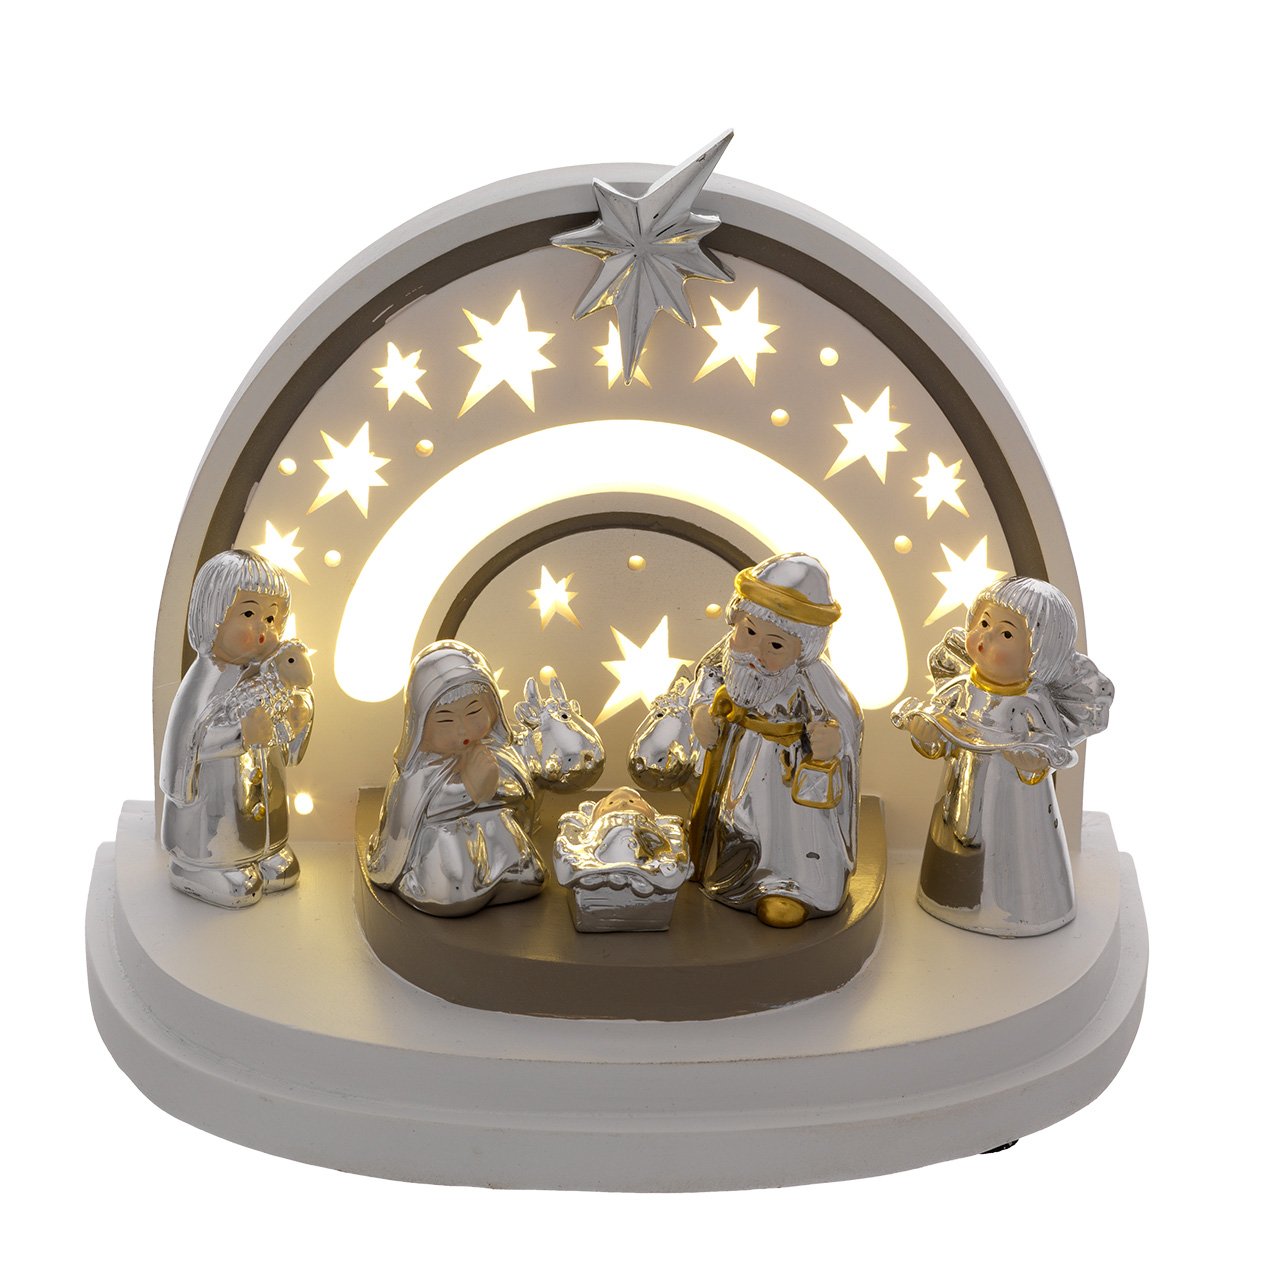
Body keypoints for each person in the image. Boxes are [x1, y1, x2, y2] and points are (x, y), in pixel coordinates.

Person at [630, 553, 862, 928]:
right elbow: (707, 678)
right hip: (735, 758)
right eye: (749, 633)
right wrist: (701, 710)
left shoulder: (814, 678)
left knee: (776, 831)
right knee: (733, 821)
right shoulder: (727, 655)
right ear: (737, 619)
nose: (755, 652)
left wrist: (831, 741)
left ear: (802, 651)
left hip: (784, 775)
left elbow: (844, 721)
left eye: (775, 646)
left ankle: (786, 886)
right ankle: (719, 871)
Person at [892, 576, 1113, 937]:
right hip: (961, 800)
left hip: (1019, 806)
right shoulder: (960, 688)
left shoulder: (1032, 703)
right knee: (954, 834)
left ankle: (1024, 908)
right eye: (983, 623)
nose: (986, 637)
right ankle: (945, 898)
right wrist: (926, 734)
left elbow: (1051, 748)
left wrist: (1034, 765)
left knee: (1020, 848)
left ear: (1039, 653)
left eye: (1006, 634)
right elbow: (941, 738)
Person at [159, 549, 313, 908]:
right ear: (213, 616)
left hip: (261, 815)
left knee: (283, 870)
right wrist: (240, 735)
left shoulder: (268, 674)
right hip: (211, 818)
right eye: (248, 614)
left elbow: (286, 740)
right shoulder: (205, 680)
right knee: (240, 887)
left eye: (272, 618)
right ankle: (196, 867)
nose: (264, 629)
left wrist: (298, 715)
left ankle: (264, 851)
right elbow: (188, 745)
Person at [366, 641, 544, 916]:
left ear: (493, 707)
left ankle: (510, 873)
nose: (463, 729)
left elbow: (518, 791)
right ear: (420, 725)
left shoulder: (496, 752)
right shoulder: (418, 773)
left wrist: (494, 783)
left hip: (496, 840)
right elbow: (422, 808)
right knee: (454, 878)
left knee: (516, 855)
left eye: (474, 712)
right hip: (448, 850)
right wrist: (469, 788)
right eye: (446, 720)